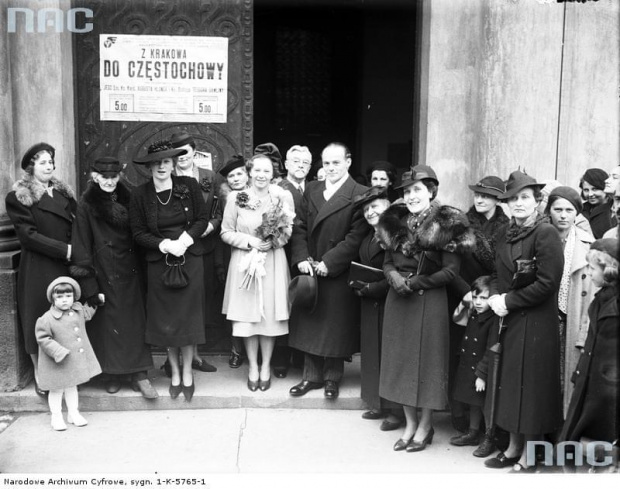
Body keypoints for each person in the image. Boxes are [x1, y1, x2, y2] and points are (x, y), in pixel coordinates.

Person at [375, 165, 472, 453]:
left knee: (428, 364)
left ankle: (426, 426)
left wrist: (416, 282)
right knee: (401, 362)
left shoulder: (447, 222)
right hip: (399, 300)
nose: (411, 196)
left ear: (431, 190)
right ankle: (409, 423)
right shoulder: (396, 220)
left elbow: (450, 272)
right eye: (407, 191)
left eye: (417, 189)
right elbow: (388, 261)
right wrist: (392, 277)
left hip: (428, 300)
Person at [484, 170, 564, 472]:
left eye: (525, 198)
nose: (518, 203)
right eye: (513, 198)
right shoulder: (505, 232)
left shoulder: (545, 233)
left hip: (536, 323)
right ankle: (513, 447)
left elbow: (547, 283)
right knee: (510, 384)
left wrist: (508, 301)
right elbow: (496, 274)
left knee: (530, 389)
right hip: (509, 321)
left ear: (537, 201)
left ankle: (532, 452)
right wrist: (494, 296)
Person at [70, 157, 157, 398]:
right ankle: (112, 373)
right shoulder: (87, 204)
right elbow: (81, 244)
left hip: (132, 270)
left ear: (120, 175)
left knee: (134, 322)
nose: (109, 181)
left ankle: (139, 374)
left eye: (114, 176)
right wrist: (89, 284)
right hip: (104, 271)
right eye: (104, 177)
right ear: (94, 176)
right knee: (109, 324)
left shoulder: (130, 198)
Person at [129, 140, 208, 402]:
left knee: (187, 319)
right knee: (168, 322)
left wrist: (185, 241)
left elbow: (201, 220)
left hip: (190, 261)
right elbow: (138, 232)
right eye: (156, 162)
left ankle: (188, 372)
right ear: (149, 166)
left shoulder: (190, 186)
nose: (162, 166)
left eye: (166, 161)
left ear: (173, 163)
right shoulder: (140, 195)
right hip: (160, 264)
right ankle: (173, 371)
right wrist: (164, 244)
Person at [289, 142, 368, 400]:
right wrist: (301, 257)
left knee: (335, 325)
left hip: (337, 270)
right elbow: (299, 227)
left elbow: (356, 236)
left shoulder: (359, 192)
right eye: (326, 163)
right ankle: (310, 377)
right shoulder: (312, 188)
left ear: (348, 162)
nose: (331, 168)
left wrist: (330, 262)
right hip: (310, 268)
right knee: (310, 322)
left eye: (336, 162)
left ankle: (333, 378)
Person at [5, 143, 77, 397]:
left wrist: (76, 250)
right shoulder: (19, 197)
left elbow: (76, 225)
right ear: (31, 167)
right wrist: (65, 250)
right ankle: (40, 373)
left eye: (51, 162)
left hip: (64, 266)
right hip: (38, 266)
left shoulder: (63, 194)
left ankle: (68, 373)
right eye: (43, 162)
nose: (49, 166)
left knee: (65, 319)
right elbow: (28, 236)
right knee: (37, 319)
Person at [220, 154, 295, 392]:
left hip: (271, 261)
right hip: (245, 262)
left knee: (268, 317)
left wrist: (273, 241)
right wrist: (250, 241)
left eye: (266, 171)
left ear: (273, 174)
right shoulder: (236, 197)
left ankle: (266, 366)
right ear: (249, 173)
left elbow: (288, 231)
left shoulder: (282, 196)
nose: (261, 175)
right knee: (248, 318)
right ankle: (252, 366)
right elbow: (225, 231)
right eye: (257, 171)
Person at [448, 175, 508, 433]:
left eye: (487, 195)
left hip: (490, 300)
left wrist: (487, 296)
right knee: (459, 356)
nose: (480, 199)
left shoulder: (505, 226)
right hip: (462, 294)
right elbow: (451, 264)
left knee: (485, 357)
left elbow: (502, 267)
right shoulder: (461, 225)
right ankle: (458, 415)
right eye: (477, 194)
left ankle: (485, 424)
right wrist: (467, 294)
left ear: (498, 199)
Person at [558, 238, 618, 468]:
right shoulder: (605, 298)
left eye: (593, 269)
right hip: (594, 384)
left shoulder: (612, 307)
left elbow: (608, 363)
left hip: (603, 394)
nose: (589, 274)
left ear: (609, 270)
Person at [170, 130, 225, 374]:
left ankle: (195, 357)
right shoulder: (165, 175)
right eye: (177, 153)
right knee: (175, 303)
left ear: (194, 153)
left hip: (202, 248)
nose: (182, 157)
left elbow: (218, 211)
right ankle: (172, 358)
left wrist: (210, 227)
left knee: (197, 303)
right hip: (174, 249)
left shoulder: (209, 177)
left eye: (186, 152)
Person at [351, 186, 403, 431]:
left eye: (375, 207)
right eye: (366, 209)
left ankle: (395, 412)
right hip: (370, 302)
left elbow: (397, 271)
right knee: (373, 352)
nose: (370, 212)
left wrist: (372, 288)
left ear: (388, 207)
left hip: (390, 300)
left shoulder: (395, 234)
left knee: (390, 355)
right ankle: (378, 403)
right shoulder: (367, 237)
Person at [544, 186, 596, 414]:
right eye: (558, 209)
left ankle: (562, 434)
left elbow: (594, 294)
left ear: (577, 213)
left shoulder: (588, 244)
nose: (563, 215)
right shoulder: (541, 237)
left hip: (572, 317)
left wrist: (585, 332)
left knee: (567, 378)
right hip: (544, 315)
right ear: (549, 211)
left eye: (569, 210)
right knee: (543, 377)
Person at [35, 277, 101, 431]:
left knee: (72, 387)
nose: (64, 300)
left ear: (74, 297)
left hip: (73, 362)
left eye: (68, 296)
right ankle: (56, 417)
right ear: (52, 298)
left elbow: (88, 313)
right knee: (56, 389)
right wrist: (58, 351)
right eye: (60, 297)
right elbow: (43, 338)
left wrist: (96, 301)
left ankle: (73, 413)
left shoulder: (77, 311)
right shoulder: (46, 319)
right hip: (57, 362)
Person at [273, 144, 313, 378]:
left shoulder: (315, 188)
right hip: (281, 253)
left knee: (303, 306)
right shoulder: (277, 188)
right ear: (286, 164)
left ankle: (300, 355)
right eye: (296, 161)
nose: (300, 165)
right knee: (282, 305)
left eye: (305, 162)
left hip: (306, 255)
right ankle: (280, 358)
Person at [450, 276, 498, 457]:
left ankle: (488, 438)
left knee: (485, 404)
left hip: (481, 368)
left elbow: (490, 348)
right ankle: (473, 432)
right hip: (469, 363)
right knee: (473, 401)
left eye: (483, 298)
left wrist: (482, 374)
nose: (478, 302)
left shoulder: (493, 320)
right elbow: (457, 318)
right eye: (475, 297)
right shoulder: (474, 313)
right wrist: (466, 301)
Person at [217, 155, 250, 369]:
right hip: (234, 253)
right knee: (237, 305)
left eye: (239, 173)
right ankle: (237, 350)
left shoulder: (259, 194)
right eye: (231, 176)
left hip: (257, 254)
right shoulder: (227, 198)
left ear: (247, 175)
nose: (236, 178)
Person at [580, 168, 616, 238]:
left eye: (595, 189)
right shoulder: (580, 210)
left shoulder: (614, 210)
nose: (590, 194)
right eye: (586, 190)